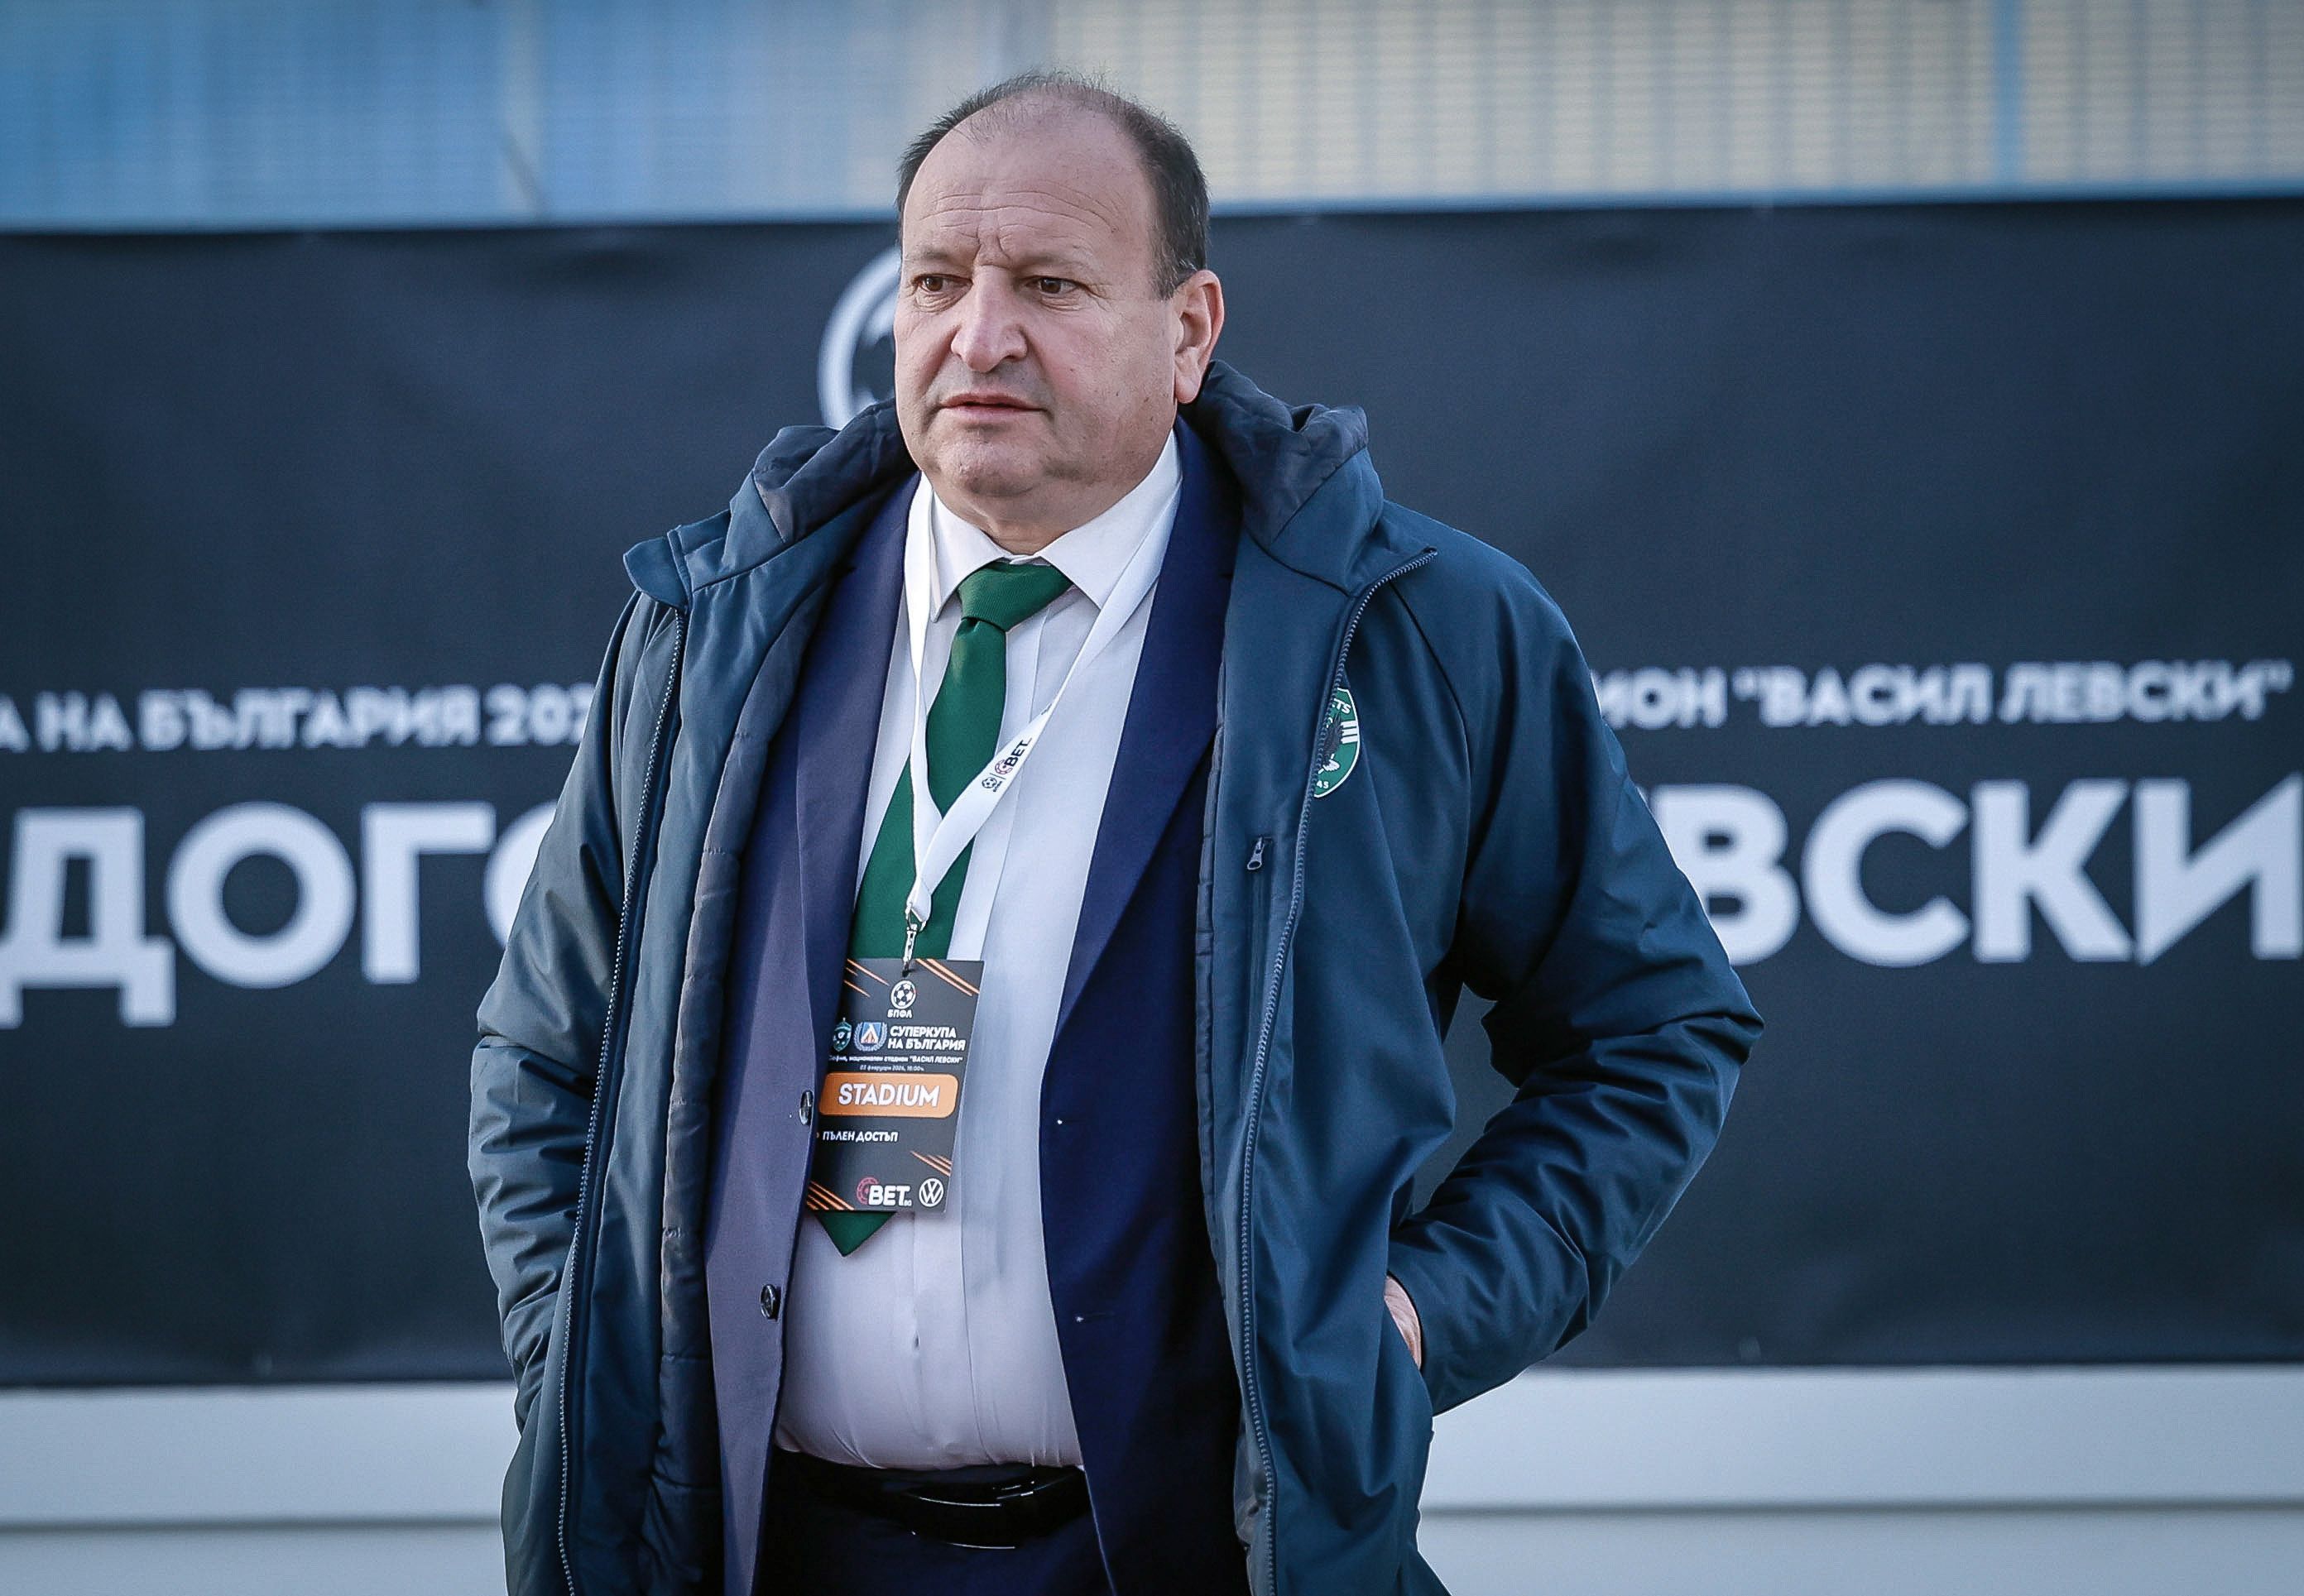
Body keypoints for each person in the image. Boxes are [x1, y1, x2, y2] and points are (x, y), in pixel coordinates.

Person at [469, 69, 1759, 1596]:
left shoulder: (1411, 629)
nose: (979, 336)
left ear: (1189, 331)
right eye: (936, 280)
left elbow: (1652, 1029)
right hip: (756, 1551)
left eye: (1051, 284)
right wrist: (577, 1359)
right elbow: (545, 1055)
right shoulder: (712, 633)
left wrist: (1413, 1319)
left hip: (1199, 1558)